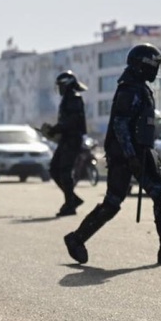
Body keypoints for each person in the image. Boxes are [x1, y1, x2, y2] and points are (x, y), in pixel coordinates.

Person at [63, 43, 161, 265]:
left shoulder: (138, 86)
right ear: (141, 66)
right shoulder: (130, 89)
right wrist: (131, 156)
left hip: (140, 151)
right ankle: (76, 239)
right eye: (152, 66)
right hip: (127, 155)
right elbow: (120, 125)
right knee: (115, 202)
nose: (155, 71)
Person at [44, 70, 88, 216]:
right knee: (54, 169)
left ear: (67, 85)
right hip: (66, 139)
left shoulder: (74, 98)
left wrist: (55, 129)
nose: (59, 89)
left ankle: (70, 204)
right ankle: (72, 199)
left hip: (72, 140)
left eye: (61, 86)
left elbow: (71, 122)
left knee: (64, 171)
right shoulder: (68, 99)